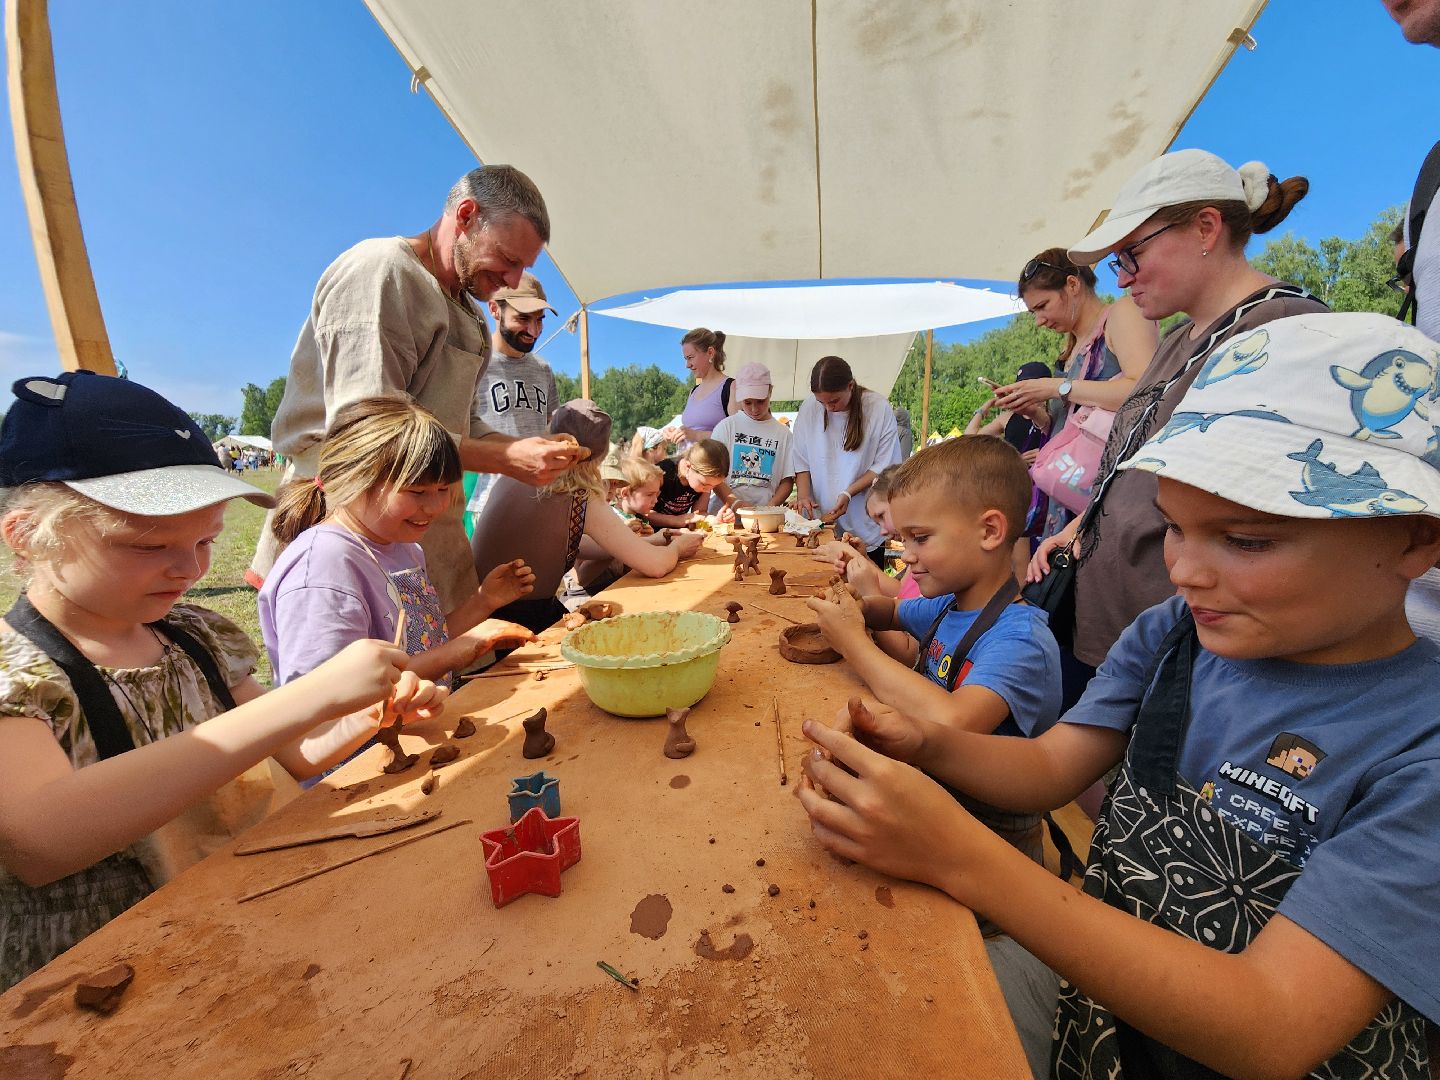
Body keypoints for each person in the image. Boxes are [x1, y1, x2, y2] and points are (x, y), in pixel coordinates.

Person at [798, 312, 1440, 1080]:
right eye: (1174, 528)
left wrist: (959, 856)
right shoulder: (1174, 636)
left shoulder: (1419, 745)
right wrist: (926, 742)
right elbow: (1048, 770)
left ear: (1415, 537)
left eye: (1245, 540)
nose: (1185, 572)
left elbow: (1272, 1024)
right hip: (1099, 1023)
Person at [0, 372, 447, 991]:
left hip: (242, 931)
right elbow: (41, 840)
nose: (189, 567)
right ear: (29, 537)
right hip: (104, 984)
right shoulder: (17, 674)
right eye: (147, 544)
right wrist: (309, 695)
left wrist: (372, 712)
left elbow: (294, 754)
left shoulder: (196, 635)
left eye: (206, 539)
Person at [1028, 148, 1326, 672]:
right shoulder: (1175, 342)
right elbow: (1137, 464)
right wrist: (1080, 529)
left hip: (1189, 643)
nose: (1121, 279)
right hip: (1124, 629)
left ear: (1206, 229)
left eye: (1131, 255)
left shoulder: (1283, 330)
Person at [251, 164, 584, 612]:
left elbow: (459, 422)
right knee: (365, 674)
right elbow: (369, 428)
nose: (510, 280)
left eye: (522, 267)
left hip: (422, 524)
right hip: (350, 523)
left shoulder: (466, 314)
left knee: (442, 668)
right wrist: (504, 457)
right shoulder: (382, 272)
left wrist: (526, 451)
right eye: (508, 259)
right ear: (466, 215)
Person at [806, 435, 1062, 864]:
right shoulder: (948, 604)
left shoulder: (1020, 640)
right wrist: (851, 606)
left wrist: (851, 642)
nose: (906, 556)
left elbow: (953, 721)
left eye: (920, 538)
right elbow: (887, 611)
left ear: (989, 530)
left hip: (990, 849)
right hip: (935, 802)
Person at [259, 395, 536, 697]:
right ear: (355, 480)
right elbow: (329, 698)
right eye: (417, 491)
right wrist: (457, 653)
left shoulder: (404, 547)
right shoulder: (321, 573)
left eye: (443, 489)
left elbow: (424, 642)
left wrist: (484, 601)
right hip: (370, 744)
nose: (435, 507)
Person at [472, 401, 705, 633]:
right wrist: (678, 548)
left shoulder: (514, 476)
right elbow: (655, 566)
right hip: (519, 620)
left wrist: (655, 540)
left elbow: (572, 546)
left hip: (476, 609)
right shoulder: (577, 494)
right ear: (600, 456)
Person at [996, 249, 1159, 540]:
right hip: (1074, 497)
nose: (1039, 321)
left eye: (1043, 305)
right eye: (1034, 312)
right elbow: (1070, 427)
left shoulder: (1123, 314)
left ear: (1073, 285)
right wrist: (1037, 414)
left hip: (1113, 494)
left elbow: (1144, 391)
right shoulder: (1070, 350)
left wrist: (1056, 387)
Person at [463, 272, 560, 523]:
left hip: (537, 496)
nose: (534, 330)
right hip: (485, 500)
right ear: (495, 309)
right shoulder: (473, 362)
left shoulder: (543, 369)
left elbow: (547, 425)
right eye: (523, 318)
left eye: (540, 320)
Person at [792, 355, 901, 565]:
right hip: (821, 522)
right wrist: (804, 496)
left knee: (864, 585)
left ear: (850, 386)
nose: (828, 408)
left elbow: (883, 467)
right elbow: (801, 459)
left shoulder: (877, 408)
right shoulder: (809, 408)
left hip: (864, 521)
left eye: (833, 401)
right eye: (821, 402)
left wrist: (848, 493)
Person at [709, 362, 795, 509]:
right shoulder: (726, 426)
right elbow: (713, 474)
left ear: (770, 392)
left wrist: (771, 506)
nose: (754, 409)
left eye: (761, 402)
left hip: (764, 518)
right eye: (748, 403)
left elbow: (787, 480)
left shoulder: (784, 434)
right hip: (724, 516)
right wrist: (734, 503)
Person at [645, 439, 739, 529]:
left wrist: (715, 521)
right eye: (704, 484)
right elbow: (643, 512)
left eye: (713, 486)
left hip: (676, 534)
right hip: (646, 533)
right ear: (688, 466)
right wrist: (675, 520)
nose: (708, 490)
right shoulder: (661, 474)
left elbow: (699, 514)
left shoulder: (705, 483)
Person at [675, 328, 737, 444]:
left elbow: (737, 437)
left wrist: (696, 435)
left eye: (690, 357)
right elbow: (691, 430)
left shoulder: (731, 387)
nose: (687, 365)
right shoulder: (694, 391)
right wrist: (676, 433)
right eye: (685, 359)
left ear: (710, 352)